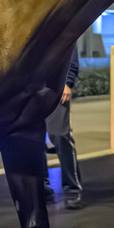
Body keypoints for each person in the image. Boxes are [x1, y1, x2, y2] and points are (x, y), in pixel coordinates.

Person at [44, 46, 84, 209]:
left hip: (56, 89)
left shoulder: (57, 24)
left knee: (60, 136)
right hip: (31, 90)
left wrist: (67, 82)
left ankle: (73, 189)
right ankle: (43, 189)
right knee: (33, 140)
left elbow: (70, 52)